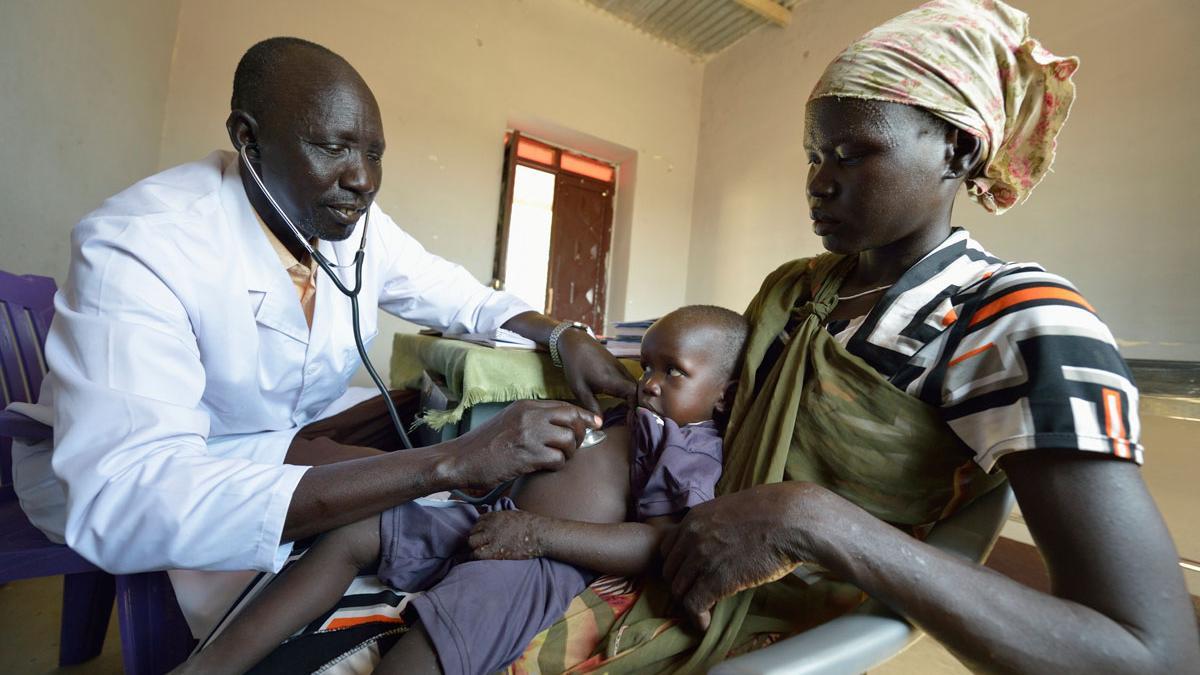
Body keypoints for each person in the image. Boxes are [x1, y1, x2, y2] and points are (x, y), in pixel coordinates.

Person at [509, 1, 1200, 672]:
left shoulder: (1016, 316)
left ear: (957, 148)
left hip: (798, 631)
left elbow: (1152, 653)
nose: (818, 183)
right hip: (678, 562)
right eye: (814, 155)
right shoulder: (796, 290)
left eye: (850, 154)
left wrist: (814, 519)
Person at [9, 36, 637, 645]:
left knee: (417, 410)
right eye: (331, 147)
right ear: (247, 139)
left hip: (266, 430)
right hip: (141, 470)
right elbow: (128, 493)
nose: (363, 179)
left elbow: (462, 297)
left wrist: (562, 335)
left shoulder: (353, 227)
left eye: (375, 154)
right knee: (407, 488)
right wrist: (452, 462)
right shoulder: (141, 244)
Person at [171, 305, 748, 674]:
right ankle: (212, 665)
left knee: (442, 636)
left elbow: (659, 545)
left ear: (723, 393)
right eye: (645, 365)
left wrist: (540, 534)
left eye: (672, 372)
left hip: (538, 561)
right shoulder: (639, 410)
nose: (647, 385)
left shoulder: (692, 451)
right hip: (489, 517)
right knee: (353, 529)